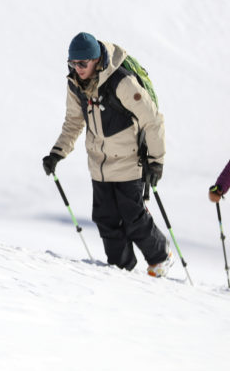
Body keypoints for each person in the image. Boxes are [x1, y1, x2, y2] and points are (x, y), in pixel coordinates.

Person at [42, 32, 173, 277]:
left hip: (129, 161)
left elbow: (152, 120)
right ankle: (121, 271)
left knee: (133, 216)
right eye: (73, 63)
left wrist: (156, 161)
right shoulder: (75, 84)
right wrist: (57, 153)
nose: (77, 68)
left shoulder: (120, 82)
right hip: (99, 164)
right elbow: (73, 122)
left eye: (82, 63)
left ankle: (160, 257)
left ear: (96, 60)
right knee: (105, 219)